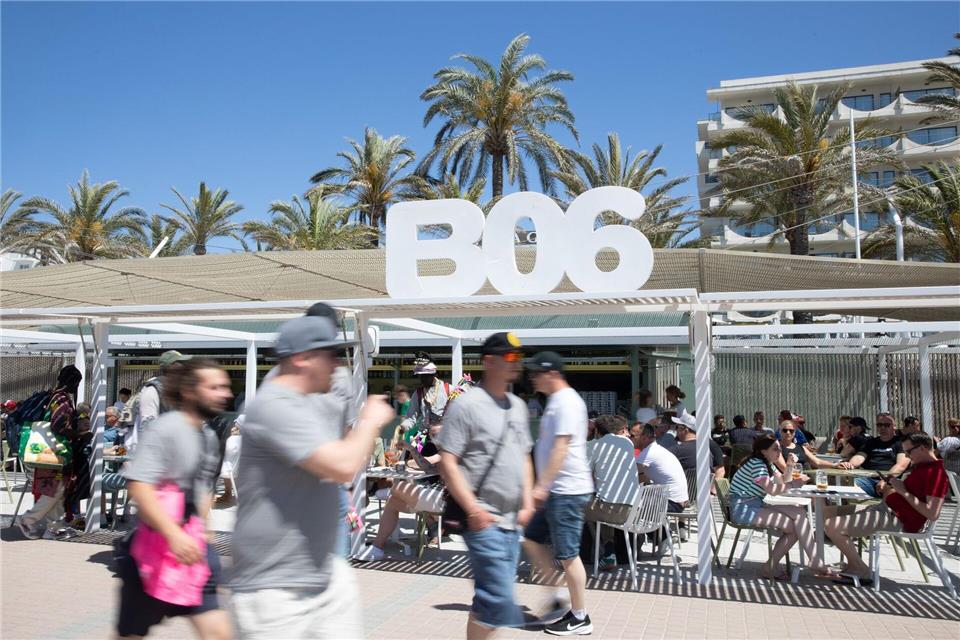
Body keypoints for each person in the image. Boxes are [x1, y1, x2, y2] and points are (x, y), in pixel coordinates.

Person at [230, 313, 394, 639]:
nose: (337, 365)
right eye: (330, 355)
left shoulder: (305, 403)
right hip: (274, 590)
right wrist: (371, 420)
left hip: (322, 574)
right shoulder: (274, 405)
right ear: (302, 358)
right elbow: (343, 464)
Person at [116, 358, 233, 639]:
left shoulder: (207, 435)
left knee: (219, 633)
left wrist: (203, 531)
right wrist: (173, 535)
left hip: (193, 553)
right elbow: (139, 485)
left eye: (225, 387)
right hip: (154, 554)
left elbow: (203, 489)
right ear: (190, 391)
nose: (225, 394)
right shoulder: (164, 429)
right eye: (214, 387)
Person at [435, 331, 533, 640]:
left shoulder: (517, 406)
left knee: (487, 601)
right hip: (482, 519)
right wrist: (473, 509)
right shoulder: (466, 405)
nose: (517, 363)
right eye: (510, 357)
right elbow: (448, 461)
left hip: (511, 520)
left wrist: (528, 501)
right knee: (498, 598)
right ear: (489, 361)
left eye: (519, 357)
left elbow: (525, 456)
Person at [523, 351, 595, 636]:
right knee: (530, 537)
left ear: (551, 373)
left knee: (568, 555)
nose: (531, 377)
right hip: (557, 490)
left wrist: (541, 486)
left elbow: (561, 448)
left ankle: (580, 617)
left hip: (566, 490)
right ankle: (559, 599)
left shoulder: (566, 402)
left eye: (536, 373)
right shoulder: (557, 401)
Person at [825, 432, 949, 585]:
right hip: (884, 509)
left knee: (832, 525)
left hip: (897, 518)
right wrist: (892, 486)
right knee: (827, 512)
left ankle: (861, 570)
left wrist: (902, 490)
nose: (908, 457)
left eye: (909, 452)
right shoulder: (921, 467)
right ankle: (852, 560)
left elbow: (932, 513)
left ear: (923, 448)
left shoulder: (936, 473)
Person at [727, 434, 837, 580]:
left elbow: (782, 481)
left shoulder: (767, 463)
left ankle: (815, 560)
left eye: (779, 448)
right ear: (763, 451)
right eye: (776, 449)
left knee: (799, 513)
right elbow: (772, 489)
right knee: (793, 528)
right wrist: (794, 484)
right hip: (743, 509)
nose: (779, 452)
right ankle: (770, 567)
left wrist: (790, 465)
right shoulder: (757, 464)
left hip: (754, 503)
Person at [356, 416, 446, 561]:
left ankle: (392, 491)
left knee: (398, 486)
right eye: (432, 434)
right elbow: (427, 467)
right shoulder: (440, 450)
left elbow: (430, 462)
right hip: (434, 496)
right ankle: (377, 548)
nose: (434, 437)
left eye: (438, 434)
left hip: (443, 498)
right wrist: (410, 448)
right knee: (392, 502)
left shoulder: (451, 450)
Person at [18, 365, 83, 540]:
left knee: (55, 490)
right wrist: (79, 434)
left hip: (46, 452)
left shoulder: (52, 395)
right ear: (72, 381)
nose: (76, 387)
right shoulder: (61, 399)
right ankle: (28, 519)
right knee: (56, 490)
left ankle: (53, 528)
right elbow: (58, 425)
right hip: (55, 452)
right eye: (76, 383)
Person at [584, 415, 639, 570]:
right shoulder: (627, 443)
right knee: (604, 500)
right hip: (632, 511)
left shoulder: (594, 445)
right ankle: (609, 553)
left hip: (611, 511)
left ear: (597, 431)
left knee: (571, 506)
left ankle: (566, 555)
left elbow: (584, 475)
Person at [837, 413, 909, 498]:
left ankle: (885, 510)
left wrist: (886, 479)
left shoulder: (901, 442)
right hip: (868, 480)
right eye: (879, 425)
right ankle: (843, 510)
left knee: (891, 491)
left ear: (894, 426)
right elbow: (859, 457)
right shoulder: (871, 442)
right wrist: (850, 464)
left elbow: (901, 465)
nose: (882, 427)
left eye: (886, 425)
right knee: (845, 486)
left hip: (890, 480)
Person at [634, 422, 688, 514]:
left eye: (632, 435)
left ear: (644, 438)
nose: (628, 437)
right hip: (678, 502)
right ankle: (660, 528)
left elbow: (634, 478)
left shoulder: (648, 453)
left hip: (671, 503)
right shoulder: (656, 449)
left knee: (628, 502)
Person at [669, 412, 725, 490]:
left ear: (685, 430)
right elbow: (720, 470)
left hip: (684, 495)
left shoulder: (676, 449)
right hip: (705, 493)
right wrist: (712, 492)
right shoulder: (710, 444)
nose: (676, 430)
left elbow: (720, 470)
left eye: (677, 427)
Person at [399, 353, 451, 437]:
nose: (422, 379)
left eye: (425, 376)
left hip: (445, 436)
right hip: (423, 436)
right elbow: (411, 418)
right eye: (420, 376)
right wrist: (403, 427)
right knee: (412, 449)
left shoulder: (448, 389)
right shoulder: (418, 393)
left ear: (434, 374)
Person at [214, 417, 242, 507]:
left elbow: (227, 450)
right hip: (238, 467)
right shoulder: (244, 440)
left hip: (228, 468)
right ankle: (229, 494)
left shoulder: (232, 439)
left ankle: (227, 494)